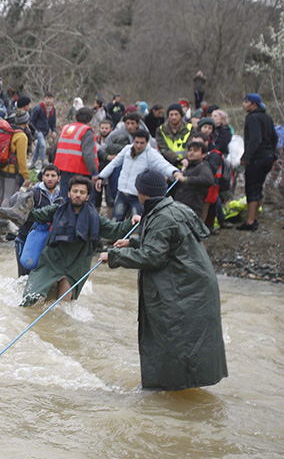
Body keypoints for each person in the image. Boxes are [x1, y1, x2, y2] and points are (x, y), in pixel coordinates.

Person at [101, 170, 227, 391]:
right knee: (183, 342)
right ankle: (175, 394)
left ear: (141, 193)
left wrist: (114, 257)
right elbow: (168, 241)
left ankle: (169, 392)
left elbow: (154, 256)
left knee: (172, 341)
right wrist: (132, 242)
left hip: (185, 290)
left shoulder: (162, 216)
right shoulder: (174, 208)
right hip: (194, 286)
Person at [18, 176, 136, 307]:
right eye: (75, 191)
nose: (77, 195)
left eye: (82, 192)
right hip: (51, 263)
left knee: (63, 308)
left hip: (76, 266)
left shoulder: (95, 219)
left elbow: (116, 230)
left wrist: (131, 221)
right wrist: (21, 207)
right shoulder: (56, 210)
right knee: (30, 300)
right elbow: (34, 215)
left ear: (87, 196)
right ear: (68, 193)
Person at [95, 129, 181, 221]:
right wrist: (101, 176)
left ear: (147, 142)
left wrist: (174, 172)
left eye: (142, 143)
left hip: (138, 196)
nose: (138, 145)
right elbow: (114, 163)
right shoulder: (127, 149)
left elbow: (163, 165)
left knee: (136, 224)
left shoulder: (151, 154)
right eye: (136, 142)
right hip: (122, 193)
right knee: (116, 220)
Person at [237, 93, 278, 231]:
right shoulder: (267, 117)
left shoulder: (252, 118)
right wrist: (272, 153)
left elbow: (255, 139)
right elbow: (274, 137)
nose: (243, 104)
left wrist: (246, 157)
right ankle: (254, 218)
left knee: (252, 189)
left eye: (246, 102)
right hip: (268, 157)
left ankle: (250, 222)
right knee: (259, 187)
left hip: (257, 158)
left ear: (253, 104)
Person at [14, 165, 64, 275]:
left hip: (47, 245)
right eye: (47, 175)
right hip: (25, 240)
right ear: (42, 177)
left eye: (53, 176)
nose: (50, 179)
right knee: (24, 278)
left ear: (58, 178)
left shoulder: (60, 199)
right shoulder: (32, 194)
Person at [0, 112, 31, 237]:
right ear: (26, 122)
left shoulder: (9, 131)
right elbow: (22, 159)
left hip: (2, 167)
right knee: (9, 196)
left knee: (2, 194)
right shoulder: (21, 136)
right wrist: (26, 176)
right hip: (12, 171)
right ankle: (2, 223)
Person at [54, 107, 99, 197]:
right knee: (82, 199)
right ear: (90, 119)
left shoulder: (66, 128)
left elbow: (55, 148)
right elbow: (88, 154)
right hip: (80, 170)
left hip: (63, 168)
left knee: (65, 197)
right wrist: (94, 173)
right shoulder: (86, 131)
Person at [171, 140, 215, 221]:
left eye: (195, 151)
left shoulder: (203, 166)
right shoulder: (189, 166)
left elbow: (208, 180)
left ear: (203, 154)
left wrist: (186, 179)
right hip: (180, 206)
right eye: (190, 150)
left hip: (192, 208)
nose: (191, 153)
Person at [156, 103, 193, 168]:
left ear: (181, 115)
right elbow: (163, 148)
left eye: (176, 114)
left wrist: (185, 158)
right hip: (166, 164)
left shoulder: (190, 128)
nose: (173, 117)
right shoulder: (161, 130)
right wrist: (176, 159)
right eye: (171, 115)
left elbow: (190, 145)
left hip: (186, 163)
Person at [30, 93, 57, 170]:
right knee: (42, 145)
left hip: (46, 130)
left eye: (50, 98)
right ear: (44, 99)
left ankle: (33, 162)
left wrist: (54, 130)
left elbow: (53, 122)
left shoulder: (53, 109)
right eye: (47, 98)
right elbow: (32, 120)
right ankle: (43, 161)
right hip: (38, 129)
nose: (48, 100)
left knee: (39, 146)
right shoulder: (39, 108)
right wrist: (33, 130)